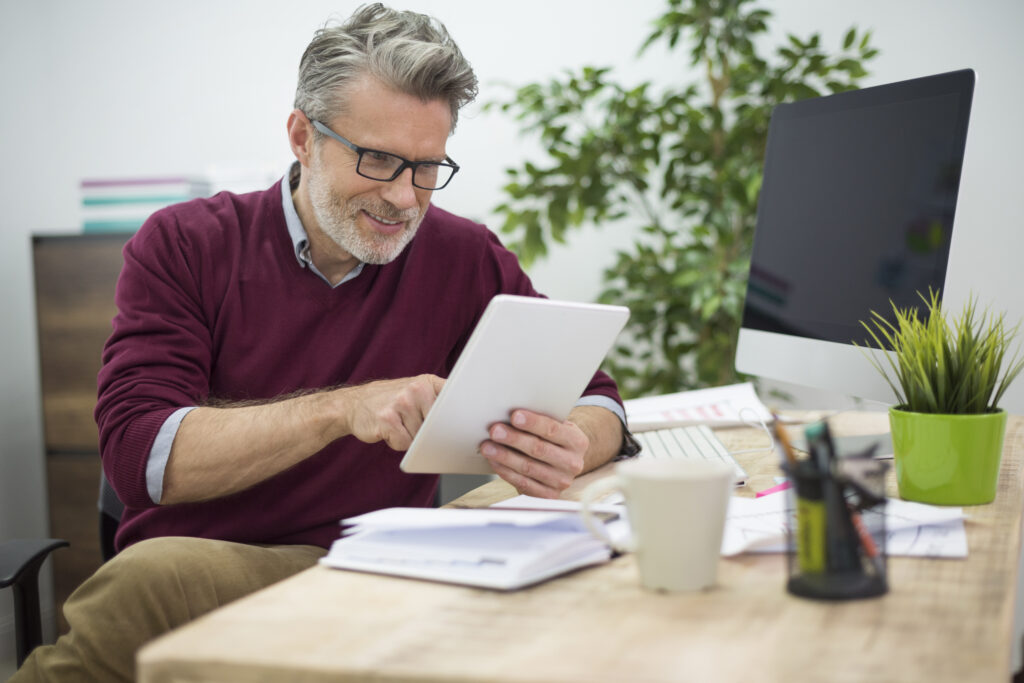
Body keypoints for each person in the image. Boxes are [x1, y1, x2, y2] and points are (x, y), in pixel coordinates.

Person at [11, 4, 631, 682]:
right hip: (202, 566)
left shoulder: (461, 253)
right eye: (378, 159)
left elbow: (599, 399)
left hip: (378, 569)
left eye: (428, 167)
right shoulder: (185, 243)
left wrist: (574, 440)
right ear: (302, 137)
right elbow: (143, 456)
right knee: (143, 584)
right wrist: (343, 409)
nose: (404, 197)